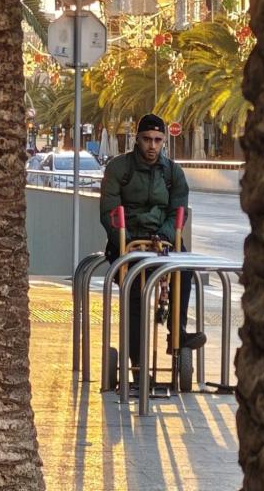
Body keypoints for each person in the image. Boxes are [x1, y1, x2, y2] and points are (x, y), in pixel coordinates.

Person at [99, 113, 204, 385]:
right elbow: (109, 213)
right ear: (138, 139)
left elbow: (178, 212)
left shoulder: (173, 173)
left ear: (164, 141)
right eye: (147, 139)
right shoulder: (118, 169)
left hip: (164, 241)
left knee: (185, 271)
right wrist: (129, 241)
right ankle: (137, 363)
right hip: (127, 242)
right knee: (134, 291)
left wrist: (164, 236)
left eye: (158, 140)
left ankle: (177, 334)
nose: (152, 146)